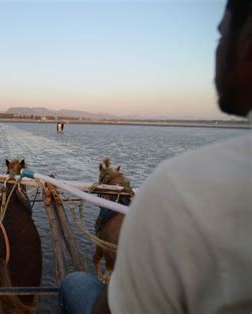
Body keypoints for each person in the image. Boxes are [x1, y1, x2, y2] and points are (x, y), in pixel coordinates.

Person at [59, 1, 252, 313]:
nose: (216, 50)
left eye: (220, 37)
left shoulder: (178, 185)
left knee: (74, 283)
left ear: (246, 45)